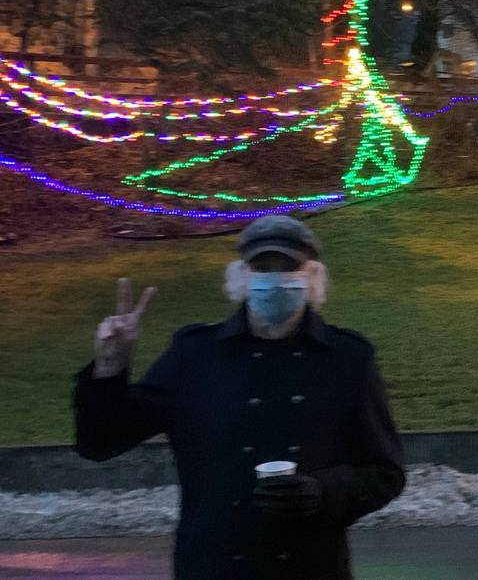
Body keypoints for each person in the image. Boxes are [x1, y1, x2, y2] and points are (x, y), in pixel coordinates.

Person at [73, 215, 405, 580]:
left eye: (287, 267)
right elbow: (101, 442)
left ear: (311, 277)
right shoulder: (194, 354)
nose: (274, 279)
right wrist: (109, 367)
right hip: (212, 565)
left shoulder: (348, 359)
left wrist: (323, 493)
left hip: (310, 566)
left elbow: (384, 472)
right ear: (242, 278)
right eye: (262, 267)